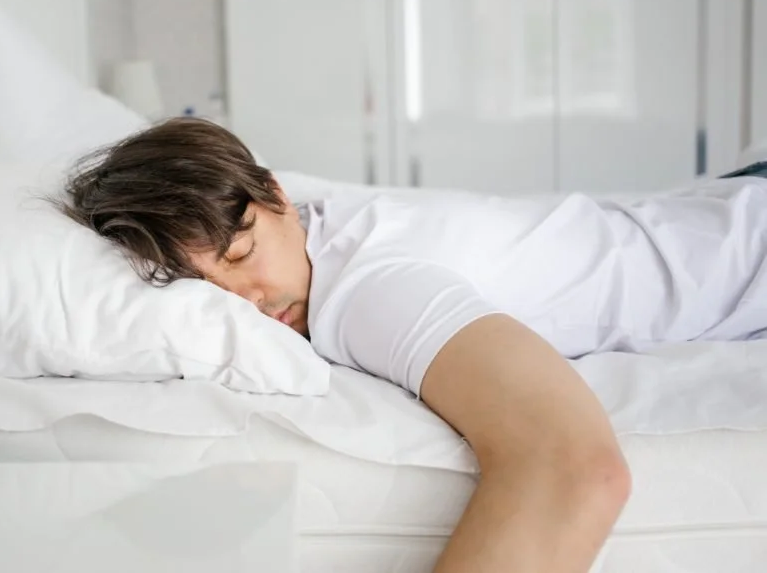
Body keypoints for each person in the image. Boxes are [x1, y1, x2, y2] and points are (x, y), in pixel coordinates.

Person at [60, 117, 767, 573]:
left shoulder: (370, 293)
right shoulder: (315, 226)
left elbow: (574, 467)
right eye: (205, 290)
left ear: (277, 196)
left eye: (242, 255)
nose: (248, 301)